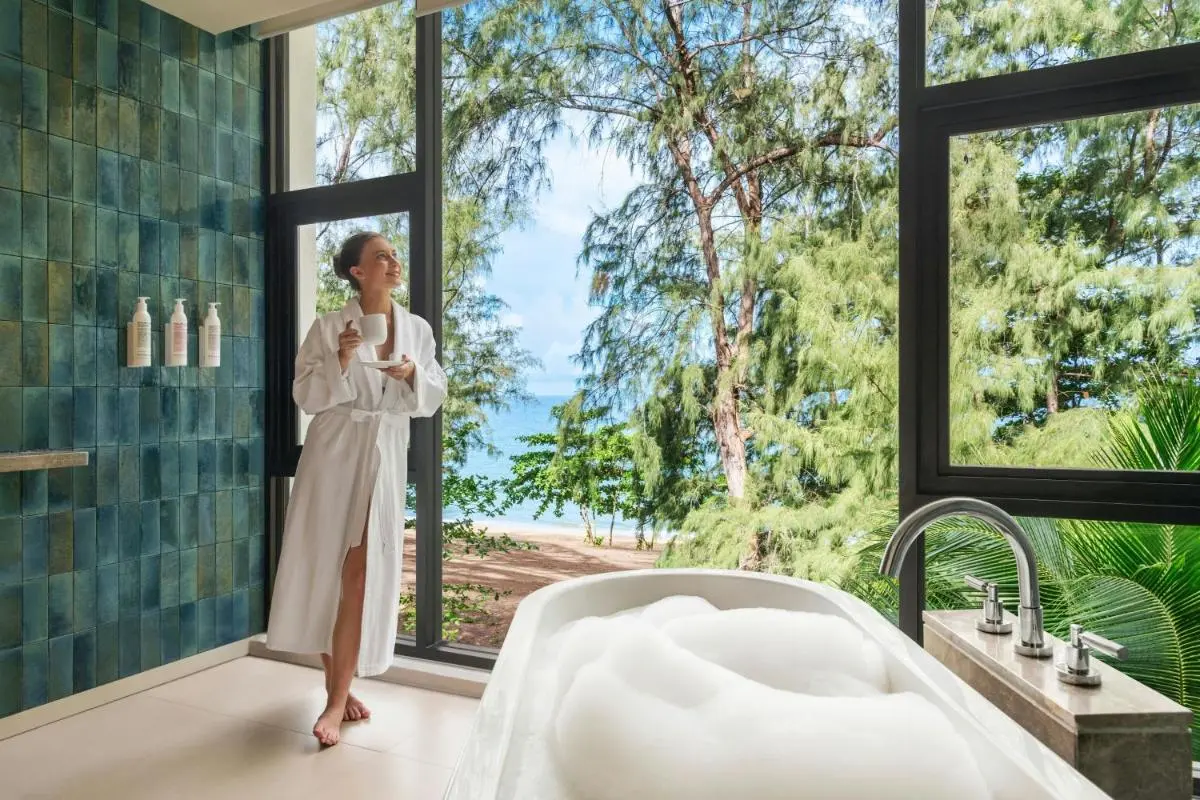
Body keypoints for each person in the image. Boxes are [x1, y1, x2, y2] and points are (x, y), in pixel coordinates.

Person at [266, 231, 447, 747]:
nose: (393, 262)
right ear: (357, 272)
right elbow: (305, 394)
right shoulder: (328, 327)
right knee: (328, 564)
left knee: (361, 569)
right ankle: (338, 688)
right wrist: (341, 363)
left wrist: (413, 373)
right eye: (381, 257)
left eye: (394, 255)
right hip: (334, 450)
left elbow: (435, 391)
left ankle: (337, 696)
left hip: (383, 450)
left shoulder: (416, 329)